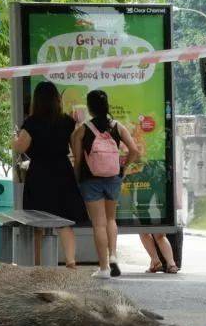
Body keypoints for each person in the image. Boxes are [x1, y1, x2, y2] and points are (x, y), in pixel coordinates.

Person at [12, 81, 87, 269]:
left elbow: (20, 147)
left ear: (37, 100)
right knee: (64, 221)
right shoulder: (67, 121)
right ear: (57, 99)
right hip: (62, 172)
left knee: (37, 222)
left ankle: (38, 265)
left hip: (39, 173)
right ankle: (70, 261)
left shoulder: (31, 122)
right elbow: (76, 150)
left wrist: (14, 139)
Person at [72, 90, 140, 279]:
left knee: (99, 224)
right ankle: (113, 255)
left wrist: (77, 178)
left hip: (90, 179)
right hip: (113, 177)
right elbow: (134, 150)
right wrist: (123, 168)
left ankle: (104, 268)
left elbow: (77, 159)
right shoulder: (117, 126)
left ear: (89, 107)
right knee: (111, 219)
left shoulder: (82, 130)